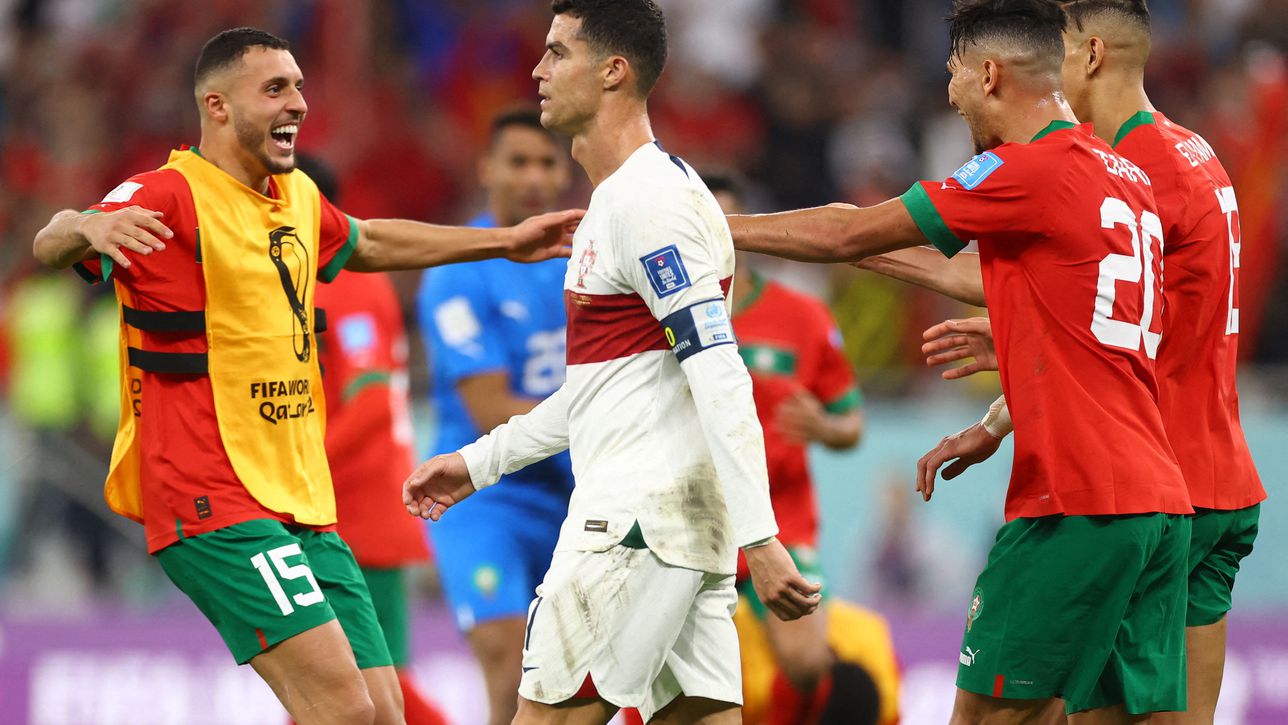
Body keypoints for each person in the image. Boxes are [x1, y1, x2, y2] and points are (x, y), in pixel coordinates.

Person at [31, 27, 578, 725]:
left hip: (303, 504)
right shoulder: (169, 194)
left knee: (383, 711)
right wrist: (85, 228)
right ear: (218, 105)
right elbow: (51, 239)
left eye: (298, 86)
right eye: (275, 89)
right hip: (213, 499)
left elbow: (368, 239)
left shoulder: (294, 195)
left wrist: (504, 240)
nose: (298, 103)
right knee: (343, 708)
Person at [724, 0, 1194, 721]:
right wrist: (1002, 404)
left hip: (1077, 501)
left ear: (989, 74)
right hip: (1157, 503)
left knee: (983, 716)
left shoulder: (1026, 169)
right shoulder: (1123, 176)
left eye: (952, 73)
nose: (949, 93)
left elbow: (846, 233)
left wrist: (712, 227)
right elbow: (1069, 311)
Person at [402, 2, 821, 723]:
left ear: (613, 72)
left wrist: (763, 536)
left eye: (558, 53)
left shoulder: (647, 205)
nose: (538, 70)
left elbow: (719, 371)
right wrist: (479, 463)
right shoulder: (629, 202)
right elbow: (602, 391)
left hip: (631, 529)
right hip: (679, 531)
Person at [908, 3, 1267, 721]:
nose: (1047, 71)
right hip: (1221, 478)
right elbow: (1134, 320)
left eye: (1059, 51)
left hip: (1151, 484)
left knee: (1046, 706)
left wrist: (873, 250)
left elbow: (1090, 305)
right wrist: (1015, 370)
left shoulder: (1131, 167)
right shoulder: (1195, 151)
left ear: (1092, 54)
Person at [415, 108, 575, 725]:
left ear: (564, 172)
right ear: (486, 169)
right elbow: (488, 409)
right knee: (510, 675)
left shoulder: (588, 264)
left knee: (576, 686)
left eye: (546, 162)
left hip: (573, 496)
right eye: (518, 162)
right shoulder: (458, 272)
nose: (533, 176)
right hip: (483, 499)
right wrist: (607, 420)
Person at [705, 172, 872, 725]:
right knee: (664, 666)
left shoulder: (803, 317)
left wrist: (824, 427)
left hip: (782, 516)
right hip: (696, 513)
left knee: (805, 663)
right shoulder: (657, 315)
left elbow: (851, 423)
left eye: (730, 226)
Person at [302, 155, 447, 725]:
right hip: (338, 507)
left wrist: (291, 474)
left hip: (353, 509)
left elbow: (366, 403)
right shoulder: (318, 281)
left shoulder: (345, 285)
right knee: (323, 679)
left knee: (373, 682)